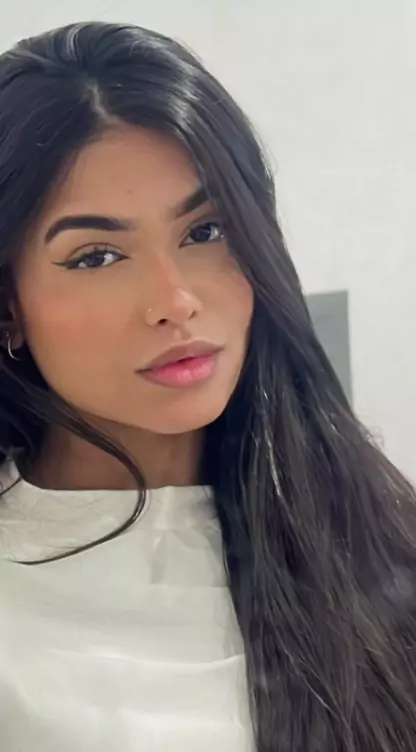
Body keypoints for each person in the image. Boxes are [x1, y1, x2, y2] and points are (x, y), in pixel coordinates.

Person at [0, 20, 415, 752]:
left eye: (205, 231)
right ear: (9, 307)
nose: (175, 300)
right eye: (96, 257)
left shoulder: (369, 530)